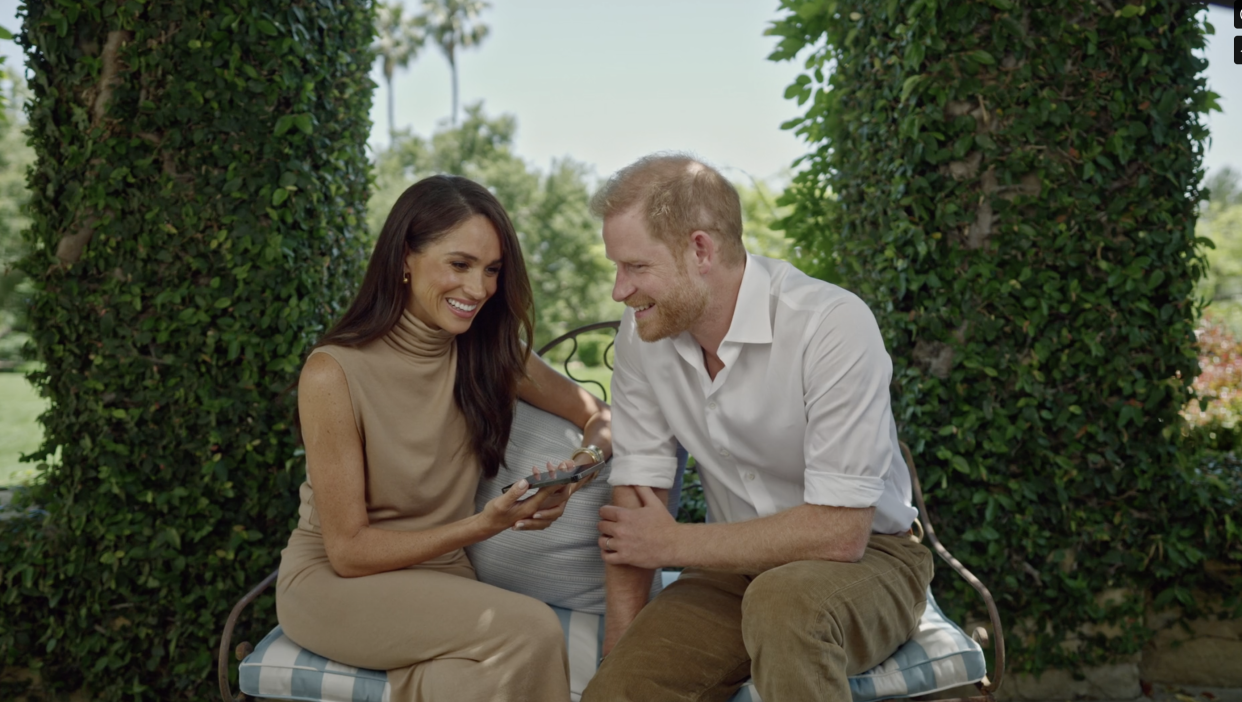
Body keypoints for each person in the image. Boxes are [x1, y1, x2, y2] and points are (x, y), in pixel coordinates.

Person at [582, 154, 933, 702]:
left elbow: (841, 533)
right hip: (730, 572)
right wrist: (619, 652)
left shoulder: (830, 324)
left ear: (700, 250)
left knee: (786, 603)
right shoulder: (641, 337)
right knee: (623, 690)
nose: (619, 290)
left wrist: (677, 543)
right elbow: (638, 509)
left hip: (873, 560)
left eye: (636, 267)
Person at [276, 175, 612, 702]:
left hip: (439, 578)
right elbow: (348, 552)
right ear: (405, 258)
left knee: (467, 681)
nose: (478, 289)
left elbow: (602, 416)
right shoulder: (332, 373)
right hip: (337, 584)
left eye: (492, 270)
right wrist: (483, 525)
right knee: (530, 627)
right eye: (459, 264)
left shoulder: (493, 355)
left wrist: (581, 468)